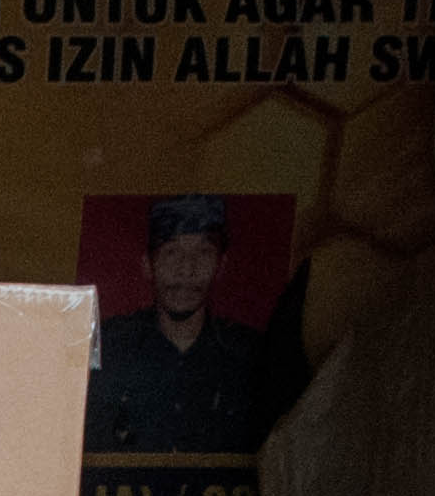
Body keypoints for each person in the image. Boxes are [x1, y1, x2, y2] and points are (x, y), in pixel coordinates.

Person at [87, 194, 298, 454]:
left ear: (221, 266)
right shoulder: (110, 349)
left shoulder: (250, 357)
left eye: (203, 252)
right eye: (172, 252)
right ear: (147, 265)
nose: (187, 269)